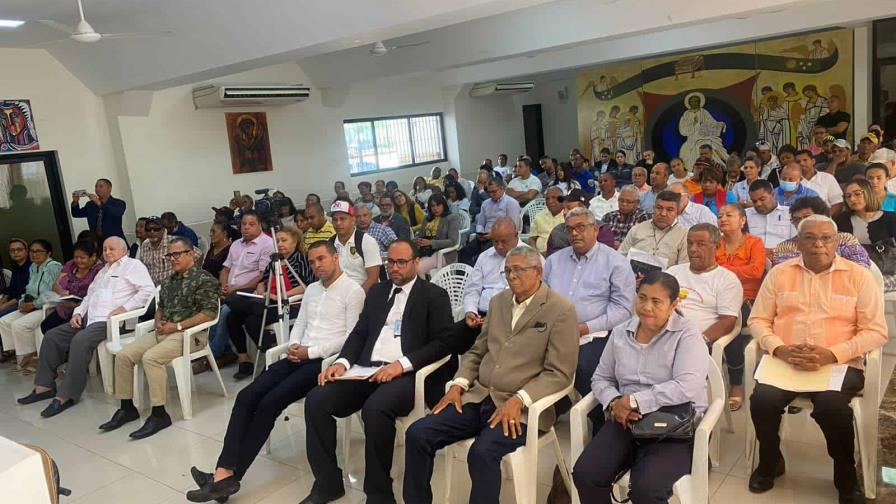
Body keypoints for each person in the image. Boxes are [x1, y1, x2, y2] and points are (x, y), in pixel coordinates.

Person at [185, 240, 365, 503]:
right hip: (297, 355)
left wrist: (310, 352)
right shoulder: (312, 289)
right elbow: (300, 323)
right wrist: (293, 345)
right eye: (312, 261)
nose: (316, 266)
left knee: (269, 403)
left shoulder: (353, 291)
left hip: (323, 361)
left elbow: (351, 338)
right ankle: (223, 471)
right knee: (247, 397)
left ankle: (227, 478)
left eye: (321, 259)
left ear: (335, 257)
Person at [403, 246, 579, 504]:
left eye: (519, 269)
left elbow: (560, 373)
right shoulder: (498, 303)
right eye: (507, 270)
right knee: (418, 433)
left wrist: (520, 398)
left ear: (538, 272)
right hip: (479, 397)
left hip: (520, 408)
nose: (511, 276)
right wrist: (458, 385)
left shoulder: (560, 310)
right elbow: (477, 352)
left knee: (482, 452)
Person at [301, 240, 454, 504]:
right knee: (317, 399)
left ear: (416, 262)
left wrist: (402, 364)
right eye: (390, 262)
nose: (394, 268)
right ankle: (327, 483)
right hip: (366, 369)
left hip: (407, 375)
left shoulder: (433, 296)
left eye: (401, 262)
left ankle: (379, 494)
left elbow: (443, 344)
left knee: (376, 408)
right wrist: (343, 362)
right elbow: (360, 332)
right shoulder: (377, 291)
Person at [747, 216, 886, 503]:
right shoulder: (780, 273)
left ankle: (845, 477)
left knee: (832, 407)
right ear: (798, 243)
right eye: (810, 237)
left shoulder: (859, 277)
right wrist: (779, 348)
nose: (818, 244)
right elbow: (758, 320)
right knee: (762, 400)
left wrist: (832, 353)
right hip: (786, 360)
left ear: (836, 242)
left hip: (837, 363)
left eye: (826, 238)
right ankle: (771, 460)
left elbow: (875, 331)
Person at [573, 271, 709, 504]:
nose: (647, 307)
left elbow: (687, 385)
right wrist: (616, 402)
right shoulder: (621, 332)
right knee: (586, 474)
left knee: (646, 490)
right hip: (626, 420)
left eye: (657, 302)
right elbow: (600, 378)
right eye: (642, 298)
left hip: (672, 425)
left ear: (673, 304)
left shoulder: (687, 334)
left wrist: (635, 401)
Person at [17, 237, 155, 418]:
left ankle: (67, 395)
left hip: (114, 321)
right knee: (52, 336)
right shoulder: (103, 271)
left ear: (124, 250)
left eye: (112, 249)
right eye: (105, 249)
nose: (107, 252)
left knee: (80, 341)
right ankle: (44, 386)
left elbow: (148, 290)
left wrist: (125, 308)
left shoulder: (133, 266)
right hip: (90, 319)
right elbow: (89, 297)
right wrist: (78, 313)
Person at [98, 237, 220, 439]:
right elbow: (160, 307)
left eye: (177, 254)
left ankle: (159, 413)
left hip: (190, 334)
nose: (172, 259)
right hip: (164, 331)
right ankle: (127, 407)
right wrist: (158, 321)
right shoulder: (169, 281)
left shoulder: (205, 280)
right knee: (123, 356)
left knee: (151, 358)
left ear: (190, 254)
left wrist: (178, 326)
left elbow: (208, 314)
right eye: (170, 255)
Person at [543, 207, 635, 399]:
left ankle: (598, 414)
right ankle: (550, 407)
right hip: (554, 329)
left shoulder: (616, 263)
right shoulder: (554, 261)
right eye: (569, 229)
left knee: (582, 365)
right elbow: (541, 297)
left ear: (595, 229)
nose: (574, 233)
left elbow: (623, 310)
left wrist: (584, 328)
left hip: (597, 332)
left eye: (581, 227)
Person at [667, 224, 743, 412]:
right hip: (662, 336)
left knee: (679, 386)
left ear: (717, 246)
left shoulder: (727, 280)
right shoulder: (673, 273)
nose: (693, 249)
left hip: (697, 342)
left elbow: (728, 321)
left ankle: (684, 425)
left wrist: (699, 341)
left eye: (701, 244)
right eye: (690, 243)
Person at [228, 226, 315, 379]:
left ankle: (270, 353)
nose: (280, 244)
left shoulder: (300, 259)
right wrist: (262, 289)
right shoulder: (273, 260)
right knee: (232, 317)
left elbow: (306, 286)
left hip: (290, 305)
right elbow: (262, 280)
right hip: (270, 302)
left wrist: (281, 295)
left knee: (251, 320)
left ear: (295, 242)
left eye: (284, 240)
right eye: (278, 241)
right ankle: (245, 359)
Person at [716, 204, 765, 409]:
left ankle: (736, 383)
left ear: (742, 220)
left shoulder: (754, 242)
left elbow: (755, 271)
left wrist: (723, 270)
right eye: (720, 216)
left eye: (729, 215)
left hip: (747, 298)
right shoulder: (714, 243)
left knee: (732, 322)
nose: (723, 218)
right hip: (716, 296)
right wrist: (733, 271)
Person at [0, 239, 63, 370]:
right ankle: (19, 352)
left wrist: (33, 304)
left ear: (48, 253)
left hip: (48, 305)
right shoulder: (33, 267)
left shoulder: (53, 267)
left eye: (39, 251)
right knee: (4, 321)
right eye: (32, 251)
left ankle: (31, 356)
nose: (34, 254)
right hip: (31, 304)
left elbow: (50, 292)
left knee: (19, 325)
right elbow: (29, 289)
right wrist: (24, 302)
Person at [770, 196, 870, 268]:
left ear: (822, 216)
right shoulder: (784, 247)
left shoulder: (844, 240)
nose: (802, 222)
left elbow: (861, 267)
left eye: (806, 217)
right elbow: (780, 277)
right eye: (796, 219)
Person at [463, 218, 532, 320]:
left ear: (516, 235)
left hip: (513, 317)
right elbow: (473, 289)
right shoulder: (484, 256)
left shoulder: (530, 257)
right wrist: (470, 311)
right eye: (495, 241)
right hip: (481, 315)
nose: (499, 246)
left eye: (504, 241)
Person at [835, 179, 896, 292]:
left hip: (887, 272)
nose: (852, 199)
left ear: (868, 193)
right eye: (848, 196)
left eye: (857, 194)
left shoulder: (891, 218)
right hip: (854, 273)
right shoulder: (841, 220)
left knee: (872, 286)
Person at [39, 240, 103, 343]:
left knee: (63, 332)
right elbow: (55, 285)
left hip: (84, 309)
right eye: (76, 257)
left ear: (93, 257)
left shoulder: (99, 271)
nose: (78, 261)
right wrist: (61, 291)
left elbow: (97, 296)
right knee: (46, 326)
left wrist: (76, 306)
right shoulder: (70, 265)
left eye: (82, 258)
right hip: (65, 306)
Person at [459, 177, 521, 266]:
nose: (491, 194)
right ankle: (469, 275)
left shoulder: (511, 203)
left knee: (484, 254)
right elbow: (480, 223)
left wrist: (493, 235)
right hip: (484, 236)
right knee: (464, 251)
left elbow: (514, 227)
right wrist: (480, 232)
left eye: (494, 192)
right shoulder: (486, 203)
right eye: (489, 192)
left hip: (500, 238)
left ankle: (481, 273)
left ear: (502, 188)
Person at [619, 191, 689, 266]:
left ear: (677, 212)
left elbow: (683, 267)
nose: (663, 214)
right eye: (659, 208)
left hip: (666, 276)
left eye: (669, 210)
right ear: (653, 208)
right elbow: (620, 257)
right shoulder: (637, 229)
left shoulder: (684, 235)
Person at [546, 190, 616, 256]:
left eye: (569, 208)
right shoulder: (557, 231)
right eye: (564, 209)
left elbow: (606, 257)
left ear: (583, 208)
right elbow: (552, 261)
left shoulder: (602, 229)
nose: (564, 212)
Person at [414, 194, 462, 278]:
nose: (435, 208)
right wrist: (417, 240)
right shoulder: (426, 218)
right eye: (432, 206)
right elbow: (421, 235)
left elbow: (453, 241)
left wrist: (431, 243)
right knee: (409, 265)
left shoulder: (452, 218)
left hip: (444, 253)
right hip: (425, 251)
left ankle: (425, 289)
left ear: (444, 205)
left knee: (418, 267)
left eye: (438, 205)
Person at [745, 180, 795, 251]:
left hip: (783, 257)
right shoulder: (745, 215)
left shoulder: (790, 213)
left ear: (773, 195)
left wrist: (774, 252)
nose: (758, 204)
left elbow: (796, 242)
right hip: (753, 257)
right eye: (754, 201)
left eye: (762, 199)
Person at [796, 149, 843, 214]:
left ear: (813, 161)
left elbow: (838, 203)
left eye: (805, 160)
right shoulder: (793, 182)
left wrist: (825, 217)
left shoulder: (827, 178)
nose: (801, 163)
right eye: (798, 162)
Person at [0, 239, 31, 326]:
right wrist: (2, 301)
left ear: (26, 251)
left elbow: (25, 293)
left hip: (23, 302)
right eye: (12, 250)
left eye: (19, 249)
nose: (15, 252)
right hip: (12, 300)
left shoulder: (32, 268)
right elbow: (11, 288)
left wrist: (5, 305)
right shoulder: (16, 267)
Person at [138, 217, 176, 285]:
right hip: (152, 288)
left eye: (156, 229)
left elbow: (198, 254)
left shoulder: (174, 241)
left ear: (163, 230)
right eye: (148, 229)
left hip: (172, 286)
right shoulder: (145, 244)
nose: (152, 232)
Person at [529, 186, 565, 254]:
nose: (550, 201)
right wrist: (535, 253)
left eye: (554, 198)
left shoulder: (568, 216)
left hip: (561, 255)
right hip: (540, 256)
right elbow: (532, 238)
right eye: (547, 199)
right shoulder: (539, 216)